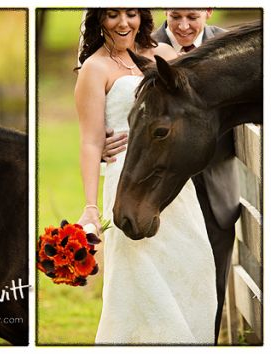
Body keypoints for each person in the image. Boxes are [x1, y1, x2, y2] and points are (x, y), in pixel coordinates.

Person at [74, 9, 217, 344]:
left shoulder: (163, 55)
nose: (123, 23)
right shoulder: (94, 69)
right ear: (98, 20)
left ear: (143, 17)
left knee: (193, 266)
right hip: (128, 180)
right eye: (112, 15)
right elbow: (91, 141)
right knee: (140, 281)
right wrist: (91, 208)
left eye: (131, 14)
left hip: (174, 184)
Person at [103, 9, 237, 340]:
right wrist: (103, 139)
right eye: (176, 16)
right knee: (154, 279)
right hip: (154, 184)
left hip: (215, 183)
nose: (183, 25)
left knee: (210, 277)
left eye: (193, 16)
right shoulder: (146, 49)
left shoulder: (231, 50)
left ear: (208, 10)